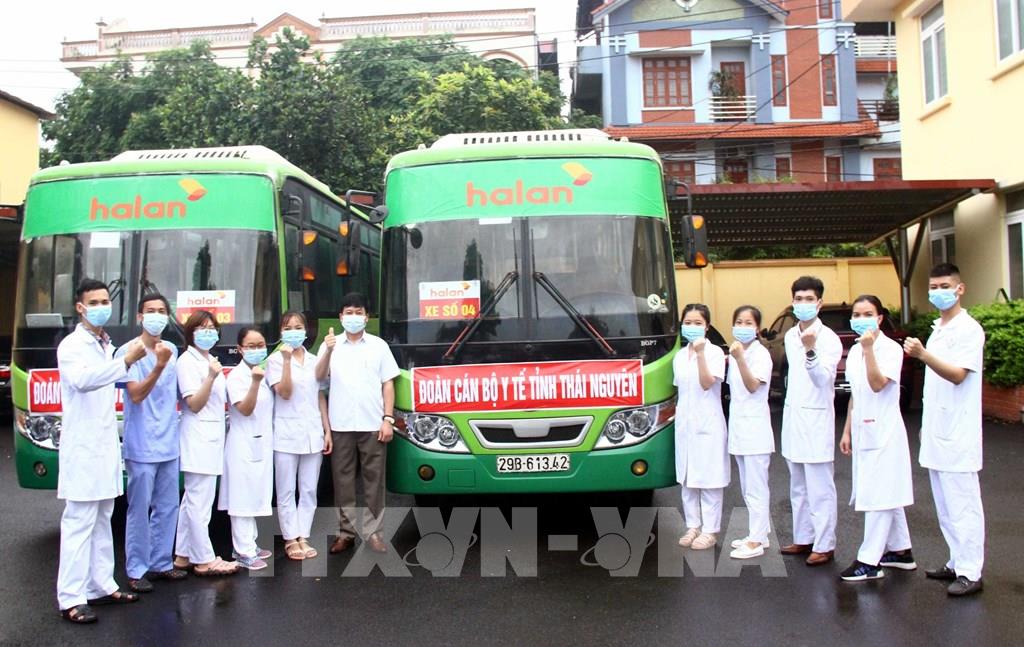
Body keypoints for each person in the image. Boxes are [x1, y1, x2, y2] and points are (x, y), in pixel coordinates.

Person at [56, 278, 146, 623]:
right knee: (79, 521)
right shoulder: (72, 346)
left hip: (104, 445)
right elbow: (83, 381)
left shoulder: (104, 343)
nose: (101, 307)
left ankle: (101, 585)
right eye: (93, 302)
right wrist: (125, 362)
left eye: (105, 301)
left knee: (103, 517)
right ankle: (71, 597)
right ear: (80, 308)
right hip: (82, 448)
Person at [904, 263, 986, 597]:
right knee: (945, 504)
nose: (938, 292)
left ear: (960, 289)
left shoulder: (969, 330)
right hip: (938, 430)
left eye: (944, 286)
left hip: (958, 433)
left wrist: (923, 355)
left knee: (963, 504)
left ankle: (971, 571)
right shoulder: (939, 328)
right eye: (933, 287)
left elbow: (957, 375)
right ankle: (956, 560)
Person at [838, 295, 915, 582]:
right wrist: (847, 430)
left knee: (879, 494)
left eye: (867, 314)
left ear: (880, 318)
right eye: (856, 315)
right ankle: (900, 551)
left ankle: (869, 560)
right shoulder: (855, 351)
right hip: (863, 427)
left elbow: (878, 384)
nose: (861, 320)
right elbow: (856, 394)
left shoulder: (889, 349)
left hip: (884, 431)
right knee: (885, 490)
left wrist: (870, 350)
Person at [316, 293, 399, 555]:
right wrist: (328, 350)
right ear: (340, 317)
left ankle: (374, 533)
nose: (353, 317)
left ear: (366, 316)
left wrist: (387, 419)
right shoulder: (330, 345)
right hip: (340, 425)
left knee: (374, 481)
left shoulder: (378, 346)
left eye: (358, 312)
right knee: (343, 483)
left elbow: (388, 383)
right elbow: (318, 378)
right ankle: (346, 534)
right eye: (348, 312)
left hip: (373, 423)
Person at [115, 293, 187, 593]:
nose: (156, 316)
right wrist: (158, 366)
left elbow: (178, 394)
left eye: (161, 311)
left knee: (168, 506)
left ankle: (161, 562)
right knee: (139, 509)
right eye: (150, 311)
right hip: (141, 444)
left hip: (169, 442)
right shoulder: (128, 351)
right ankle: (136, 569)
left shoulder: (172, 349)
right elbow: (135, 395)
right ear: (139, 317)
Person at [780, 276, 842, 566]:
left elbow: (822, 379)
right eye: (798, 299)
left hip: (817, 421)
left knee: (820, 488)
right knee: (798, 486)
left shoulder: (828, 339)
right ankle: (803, 537)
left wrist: (811, 350)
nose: (803, 304)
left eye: (809, 299)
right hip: (794, 419)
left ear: (819, 303)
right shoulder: (790, 336)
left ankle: (825, 544)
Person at [174, 311, 238, 577]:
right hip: (198, 437)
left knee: (192, 500)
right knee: (199, 502)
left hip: (211, 437)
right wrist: (211, 377)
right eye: (201, 328)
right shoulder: (187, 362)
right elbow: (194, 403)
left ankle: (182, 555)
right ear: (190, 333)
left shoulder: (209, 360)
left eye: (212, 328)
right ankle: (204, 559)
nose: (208, 332)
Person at [267, 312, 333, 561]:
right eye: (288, 327)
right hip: (285, 434)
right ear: (281, 332)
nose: (293, 332)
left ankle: (303, 535)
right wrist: (286, 361)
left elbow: (319, 393)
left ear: (306, 331)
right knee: (286, 490)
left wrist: (327, 429)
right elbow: (284, 392)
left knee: (308, 489)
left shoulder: (314, 360)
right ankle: (290, 538)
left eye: (298, 327)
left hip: (313, 432)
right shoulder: (274, 361)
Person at [673, 303, 729, 551]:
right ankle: (693, 525)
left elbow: (707, 383)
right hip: (685, 423)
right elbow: (680, 389)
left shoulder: (714, 353)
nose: (692, 327)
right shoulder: (678, 356)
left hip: (708, 423)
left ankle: (710, 530)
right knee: (687, 478)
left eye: (698, 323)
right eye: (688, 323)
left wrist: (701, 354)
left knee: (709, 479)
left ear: (707, 327)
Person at [221, 328, 275, 570]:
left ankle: (250, 544)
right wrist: (254, 383)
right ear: (240, 349)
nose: (257, 350)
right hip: (242, 444)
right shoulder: (237, 377)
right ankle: (243, 551)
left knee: (254, 493)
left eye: (260, 345)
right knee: (241, 498)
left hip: (259, 442)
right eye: (251, 346)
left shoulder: (261, 373)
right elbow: (244, 409)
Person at [726, 305, 775, 560]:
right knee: (746, 486)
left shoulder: (760, 354)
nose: (742, 327)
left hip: (755, 430)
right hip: (739, 428)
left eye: (748, 323)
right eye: (739, 322)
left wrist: (739, 360)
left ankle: (756, 540)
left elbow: (753, 385)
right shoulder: (737, 353)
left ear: (757, 328)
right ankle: (760, 533)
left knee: (756, 487)